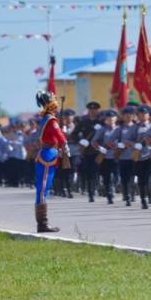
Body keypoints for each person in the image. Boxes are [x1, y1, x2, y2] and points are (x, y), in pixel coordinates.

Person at [33, 91, 69, 232]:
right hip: (47, 155)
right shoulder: (51, 120)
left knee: (43, 189)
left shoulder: (47, 118)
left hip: (48, 152)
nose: (56, 102)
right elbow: (60, 137)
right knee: (42, 190)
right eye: (53, 100)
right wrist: (65, 145)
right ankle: (42, 224)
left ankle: (42, 223)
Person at [71, 101, 102, 202]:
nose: (93, 111)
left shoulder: (101, 122)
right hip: (87, 151)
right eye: (91, 109)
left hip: (99, 150)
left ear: (97, 110)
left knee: (97, 171)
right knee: (88, 171)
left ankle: (98, 187)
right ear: (88, 110)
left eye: (95, 109)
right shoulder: (83, 122)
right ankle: (90, 192)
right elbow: (74, 134)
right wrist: (81, 140)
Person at [91, 109, 118, 205]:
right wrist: (100, 148)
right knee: (107, 176)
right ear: (105, 119)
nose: (110, 119)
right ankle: (109, 194)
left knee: (116, 177)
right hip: (105, 156)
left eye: (112, 118)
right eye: (108, 118)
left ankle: (114, 186)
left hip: (117, 155)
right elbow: (94, 141)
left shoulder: (119, 129)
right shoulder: (102, 129)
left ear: (116, 119)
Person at [112, 106, 137, 206]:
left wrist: (134, 144)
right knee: (124, 177)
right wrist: (118, 145)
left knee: (132, 176)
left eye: (130, 115)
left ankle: (132, 193)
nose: (128, 117)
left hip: (134, 155)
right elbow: (110, 140)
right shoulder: (119, 129)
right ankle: (126, 194)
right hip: (123, 156)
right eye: (125, 115)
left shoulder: (136, 127)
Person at [132, 105, 151, 209]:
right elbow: (126, 140)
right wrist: (134, 145)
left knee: (150, 177)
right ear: (138, 115)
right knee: (142, 179)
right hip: (139, 156)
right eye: (141, 114)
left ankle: (150, 195)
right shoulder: (135, 127)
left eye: (145, 114)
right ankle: (143, 200)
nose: (144, 116)